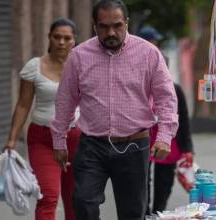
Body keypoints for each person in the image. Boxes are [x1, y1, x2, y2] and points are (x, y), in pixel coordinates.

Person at [50, 1, 178, 219]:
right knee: (82, 201)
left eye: (117, 25)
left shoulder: (148, 54)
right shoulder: (79, 56)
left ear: (126, 23)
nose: (111, 32)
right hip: (92, 145)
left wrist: (165, 136)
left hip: (134, 146)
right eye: (104, 26)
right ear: (94, 26)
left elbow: (166, 98)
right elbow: (65, 100)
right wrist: (59, 140)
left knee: (132, 212)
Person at [4, 18, 80, 220]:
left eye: (67, 38)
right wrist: (12, 139)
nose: (61, 42)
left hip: (76, 139)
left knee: (75, 199)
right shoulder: (34, 66)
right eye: (57, 37)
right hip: (42, 138)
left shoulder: (83, 66)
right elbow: (22, 104)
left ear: (74, 40)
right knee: (48, 196)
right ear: (49, 38)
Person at [137, 26, 195, 214]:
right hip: (143, 135)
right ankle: (144, 212)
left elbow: (183, 119)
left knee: (164, 179)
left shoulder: (174, 89)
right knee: (142, 178)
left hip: (167, 136)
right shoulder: (136, 77)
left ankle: (158, 212)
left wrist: (188, 148)